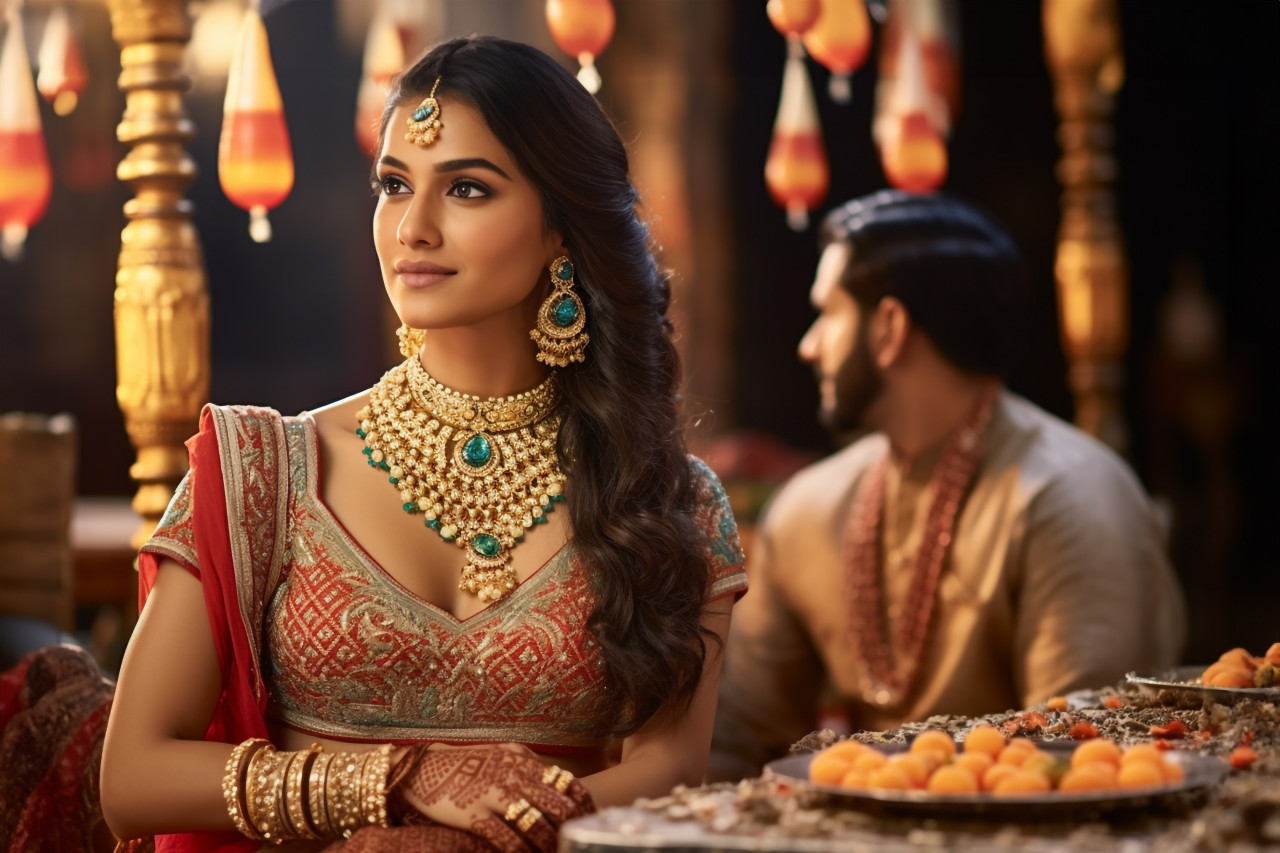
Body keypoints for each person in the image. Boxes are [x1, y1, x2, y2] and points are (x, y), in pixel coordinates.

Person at [100, 36, 746, 853]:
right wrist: (393, 778)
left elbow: (669, 769)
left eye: (467, 189)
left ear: (560, 230)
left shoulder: (669, 499)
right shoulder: (263, 472)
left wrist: (468, 840)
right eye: (394, 185)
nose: (413, 227)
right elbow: (130, 778)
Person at [708, 191, 1185, 782]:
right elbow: (738, 746)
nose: (809, 345)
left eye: (828, 314)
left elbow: (1078, 761)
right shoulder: (810, 508)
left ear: (889, 328)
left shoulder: (1070, 498)